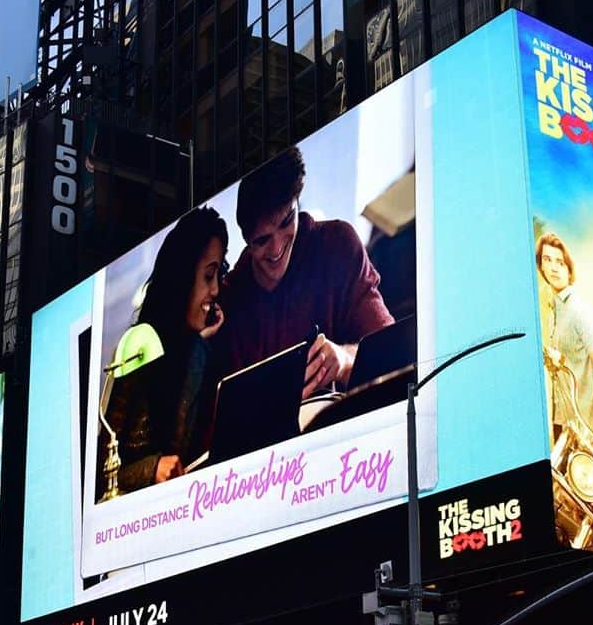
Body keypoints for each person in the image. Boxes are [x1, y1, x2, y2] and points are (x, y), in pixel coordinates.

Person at [215, 145, 394, 400]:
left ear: (298, 201)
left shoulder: (338, 246)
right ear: (246, 239)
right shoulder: (230, 298)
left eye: (287, 221)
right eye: (263, 240)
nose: (277, 249)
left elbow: (391, 352)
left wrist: (343, 359)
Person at [100, 206, 229, 495]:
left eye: (218, 276)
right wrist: (151, 469)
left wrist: (197, 345)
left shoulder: (199, 351)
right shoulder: (138, 347)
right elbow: (99, 473)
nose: (215, 290)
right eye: (208, 276)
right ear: (183, 279)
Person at [536, 233, 593, 443]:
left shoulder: (580, 311)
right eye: (547, 260)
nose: (553, 267)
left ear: (569, 268)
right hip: (563, 424)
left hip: (586, 428)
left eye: (560, 262)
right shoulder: (553, 315)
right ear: (541, 266)